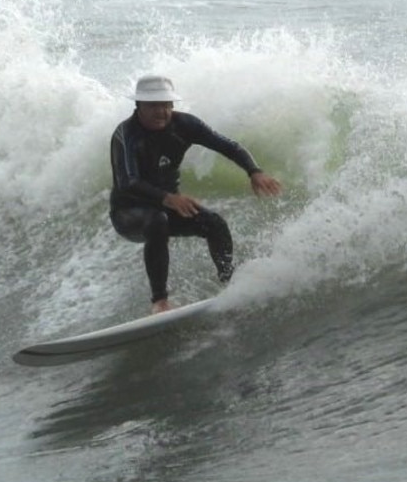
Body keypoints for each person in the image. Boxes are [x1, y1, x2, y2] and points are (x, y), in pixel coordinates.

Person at [109, 75, 282, 313]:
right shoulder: (126, 134)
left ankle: (229, 283)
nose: (161, 112)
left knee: (214, 223)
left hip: (167, 207)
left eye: (165, 105)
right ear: (138, 105)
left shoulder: (185, 125)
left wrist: (254, 171)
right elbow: (128, 182)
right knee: (156, 221)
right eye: (152, 106)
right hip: (129, 213)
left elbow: (229, 146)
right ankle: (160, 302)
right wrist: (169, 198)